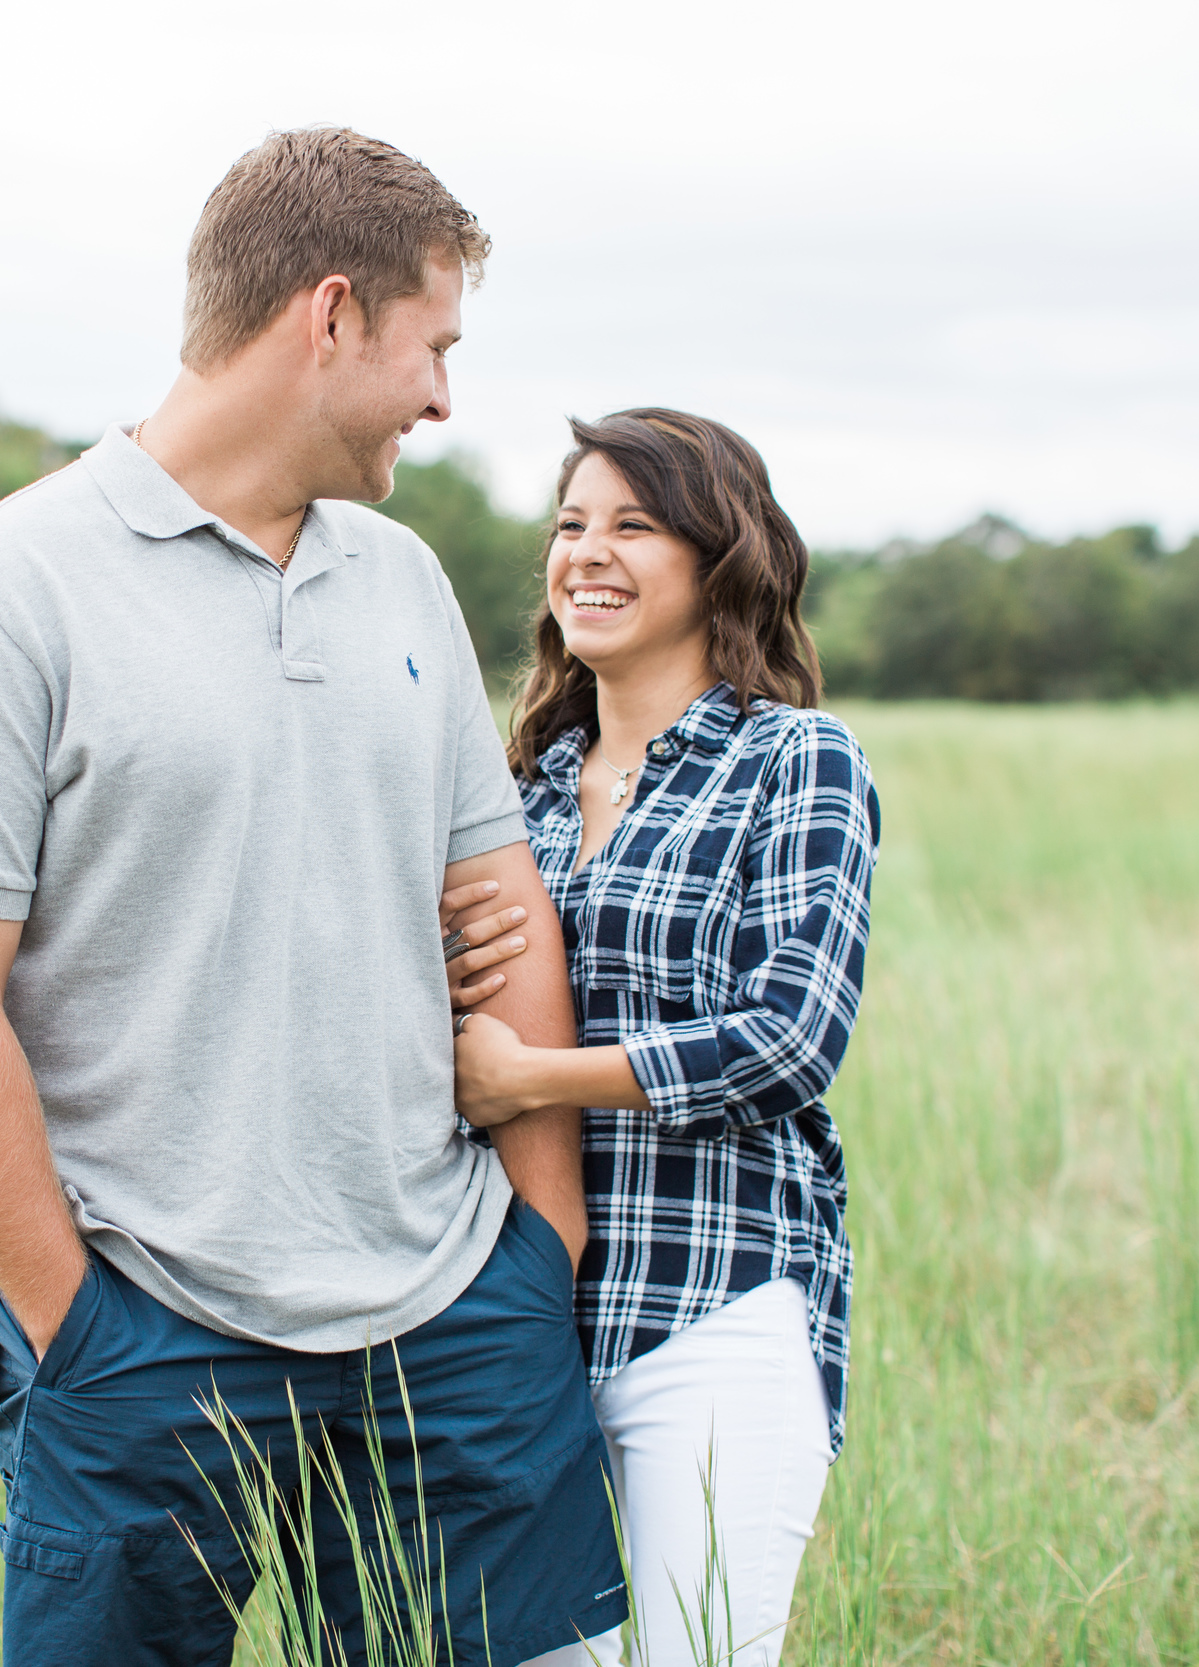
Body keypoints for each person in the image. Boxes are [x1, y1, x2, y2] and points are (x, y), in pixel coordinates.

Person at [0, 128, 627, 1667]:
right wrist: (75, 1323)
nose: (445, 397)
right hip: (148, 1328)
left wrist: (541, 1242)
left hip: (454, 1321)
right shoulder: (0, 595)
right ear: (328, 317)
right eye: (435, 346)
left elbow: (502, 906)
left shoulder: (403, 577)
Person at [448, 411, 879, 1667]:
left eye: (633, 524)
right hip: (516, 1319)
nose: (587, 551)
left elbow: (789, 1037)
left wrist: (529, 1076)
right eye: (571, 523)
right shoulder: (510, 790)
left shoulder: (796, 762)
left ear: (718, 557)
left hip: (714, 1303)